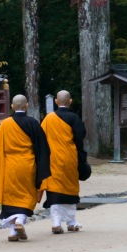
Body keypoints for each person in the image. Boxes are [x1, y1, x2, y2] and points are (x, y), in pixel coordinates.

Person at [0, 94, 51, 242]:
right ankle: (19, 221)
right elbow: (43, 148)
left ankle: (12, 231)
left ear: (12, 106)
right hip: (27, 165)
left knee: (10, 197)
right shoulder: (33, 123)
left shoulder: (5, 124)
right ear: (27, 106)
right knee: (27, 195)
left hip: (9, 166)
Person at [39, 90, 89, 234]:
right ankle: (71, 222)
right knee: (70, 189)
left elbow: (41, 138)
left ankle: (55, 222)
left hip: (52, 159)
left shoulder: (48, 119)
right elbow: (80, 137)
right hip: (69, 157)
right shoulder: (74, 118)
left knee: (54, 189)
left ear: (56, 102)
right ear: (70, 101)